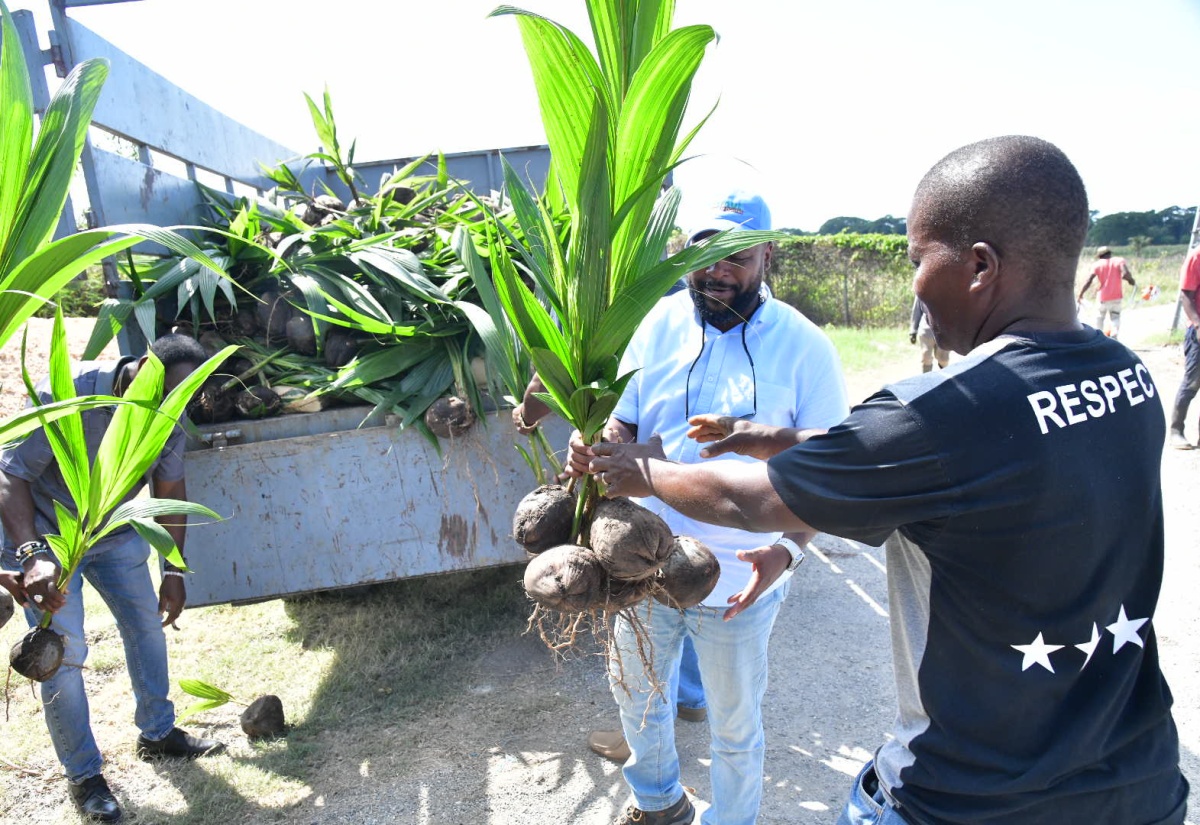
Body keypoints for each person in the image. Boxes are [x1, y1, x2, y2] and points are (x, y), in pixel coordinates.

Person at [587, 137, 1188, 824]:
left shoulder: (939, 411)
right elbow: (921, 451)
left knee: (736, 725)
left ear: (981, 266)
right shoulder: (1127, 375)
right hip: (1138, 785)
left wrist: (648, 472)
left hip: (967, 795)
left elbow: (747, 497)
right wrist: (773, 437)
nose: (912, 285)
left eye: (915, 258)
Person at [568, 189, 849, 825]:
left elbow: (828, 473)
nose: (719, 270)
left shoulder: (805, 348)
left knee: (733, 725)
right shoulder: (657, 324)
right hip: (640, 564)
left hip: (738, 582)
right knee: (636, 695)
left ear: (768, 256)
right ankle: (659, 802)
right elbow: (626, 416)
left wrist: (785, 552)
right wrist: (599, 444)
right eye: (705, 254)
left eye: (737, 257)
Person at [0, 335, 225, 823]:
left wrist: (172, 568)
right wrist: (32, 555)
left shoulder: (167, 412)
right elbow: (9, 473)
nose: (173, 407)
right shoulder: (71, 394)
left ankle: (158, 734)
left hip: (115, 532)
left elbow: (169, 485)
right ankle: (84, 776)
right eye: (168, 393)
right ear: (144, 369)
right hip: (46, 539)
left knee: (146, 625)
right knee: (64, 653)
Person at [1168, 243, 1200, 449]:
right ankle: (1176, 430)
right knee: (1192, 382)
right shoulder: (1196, 256)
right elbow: (1186, 294)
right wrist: (1197, 324)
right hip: (1197, 330)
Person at [1078, 245, 1136, 338]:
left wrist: (1081, 294)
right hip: (1116, 296)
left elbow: (1089, 280)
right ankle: (1114, 335)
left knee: (1100, 318)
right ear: (1110, 253)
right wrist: (1131, 281)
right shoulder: (1119, 261)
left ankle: (1099, 338)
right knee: (1115, 317)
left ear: (1100, 256)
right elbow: (1125, 274)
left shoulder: (1097, 264)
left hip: (1102, 297)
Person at [908, 296, 948, 372]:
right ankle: (926, 379)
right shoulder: (923, 288)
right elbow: (917, 310)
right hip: (926, 330)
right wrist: (913, 330)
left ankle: (944, 379)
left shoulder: (949, 288)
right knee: (926, 356)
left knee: (943, 359)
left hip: (944, 331)